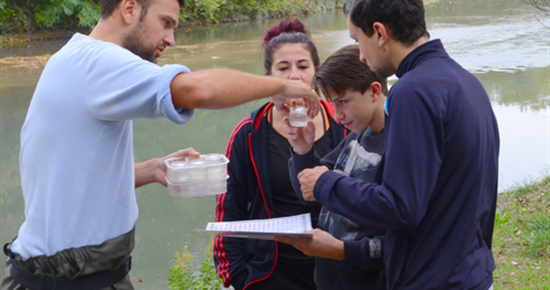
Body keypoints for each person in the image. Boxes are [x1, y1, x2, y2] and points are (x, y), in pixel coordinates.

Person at [0, 0, 323, 288]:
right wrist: (283, 85)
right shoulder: (97, 62)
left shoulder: (73, 58)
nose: (170, 39)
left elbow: (72, 181)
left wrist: (153, 169)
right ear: (129, 9)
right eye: (166, 23)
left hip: (70, 271)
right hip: (66, 279)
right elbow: (198, 90)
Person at [283, 0, 500, 289]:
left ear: (380, 33)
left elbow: (401, 206)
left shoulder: (412, 91)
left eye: (358, 41)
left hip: (432, 279)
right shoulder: (465, 81)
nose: (360, 56)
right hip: (469, 271)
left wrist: (326, 184)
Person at [212, 19, 348, 290]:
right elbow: (229, 208)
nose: (294, 76)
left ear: (316, 73)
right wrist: (238, 276)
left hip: (336, 269)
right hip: (269, 273)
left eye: (303, 66)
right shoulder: (249, 134)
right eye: (283, 68)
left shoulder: (344, 125)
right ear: (267, 79)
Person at [277, 44, 388, 290]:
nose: (337, 115)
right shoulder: (357, 136)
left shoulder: (401, 145)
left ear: (374, 91)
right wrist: (303, 150)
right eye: (332, 103)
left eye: (343, 102)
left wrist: (341, 250)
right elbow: (308, 191)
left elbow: (401, 243)